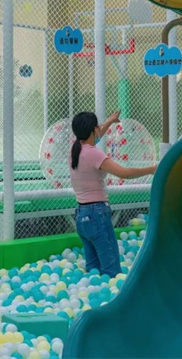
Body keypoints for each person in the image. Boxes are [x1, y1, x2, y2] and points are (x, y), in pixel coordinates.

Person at [69, 111, 157, 277]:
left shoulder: (75, 149)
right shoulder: (93, 154)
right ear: (92, 130)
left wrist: (109, 121)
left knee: (93, 271)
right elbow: (125, 173)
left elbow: (96, 136)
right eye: (97, 126)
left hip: (82, 216)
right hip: (97, 215)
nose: (99, 128)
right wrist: (151, 169)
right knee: (111, 271)